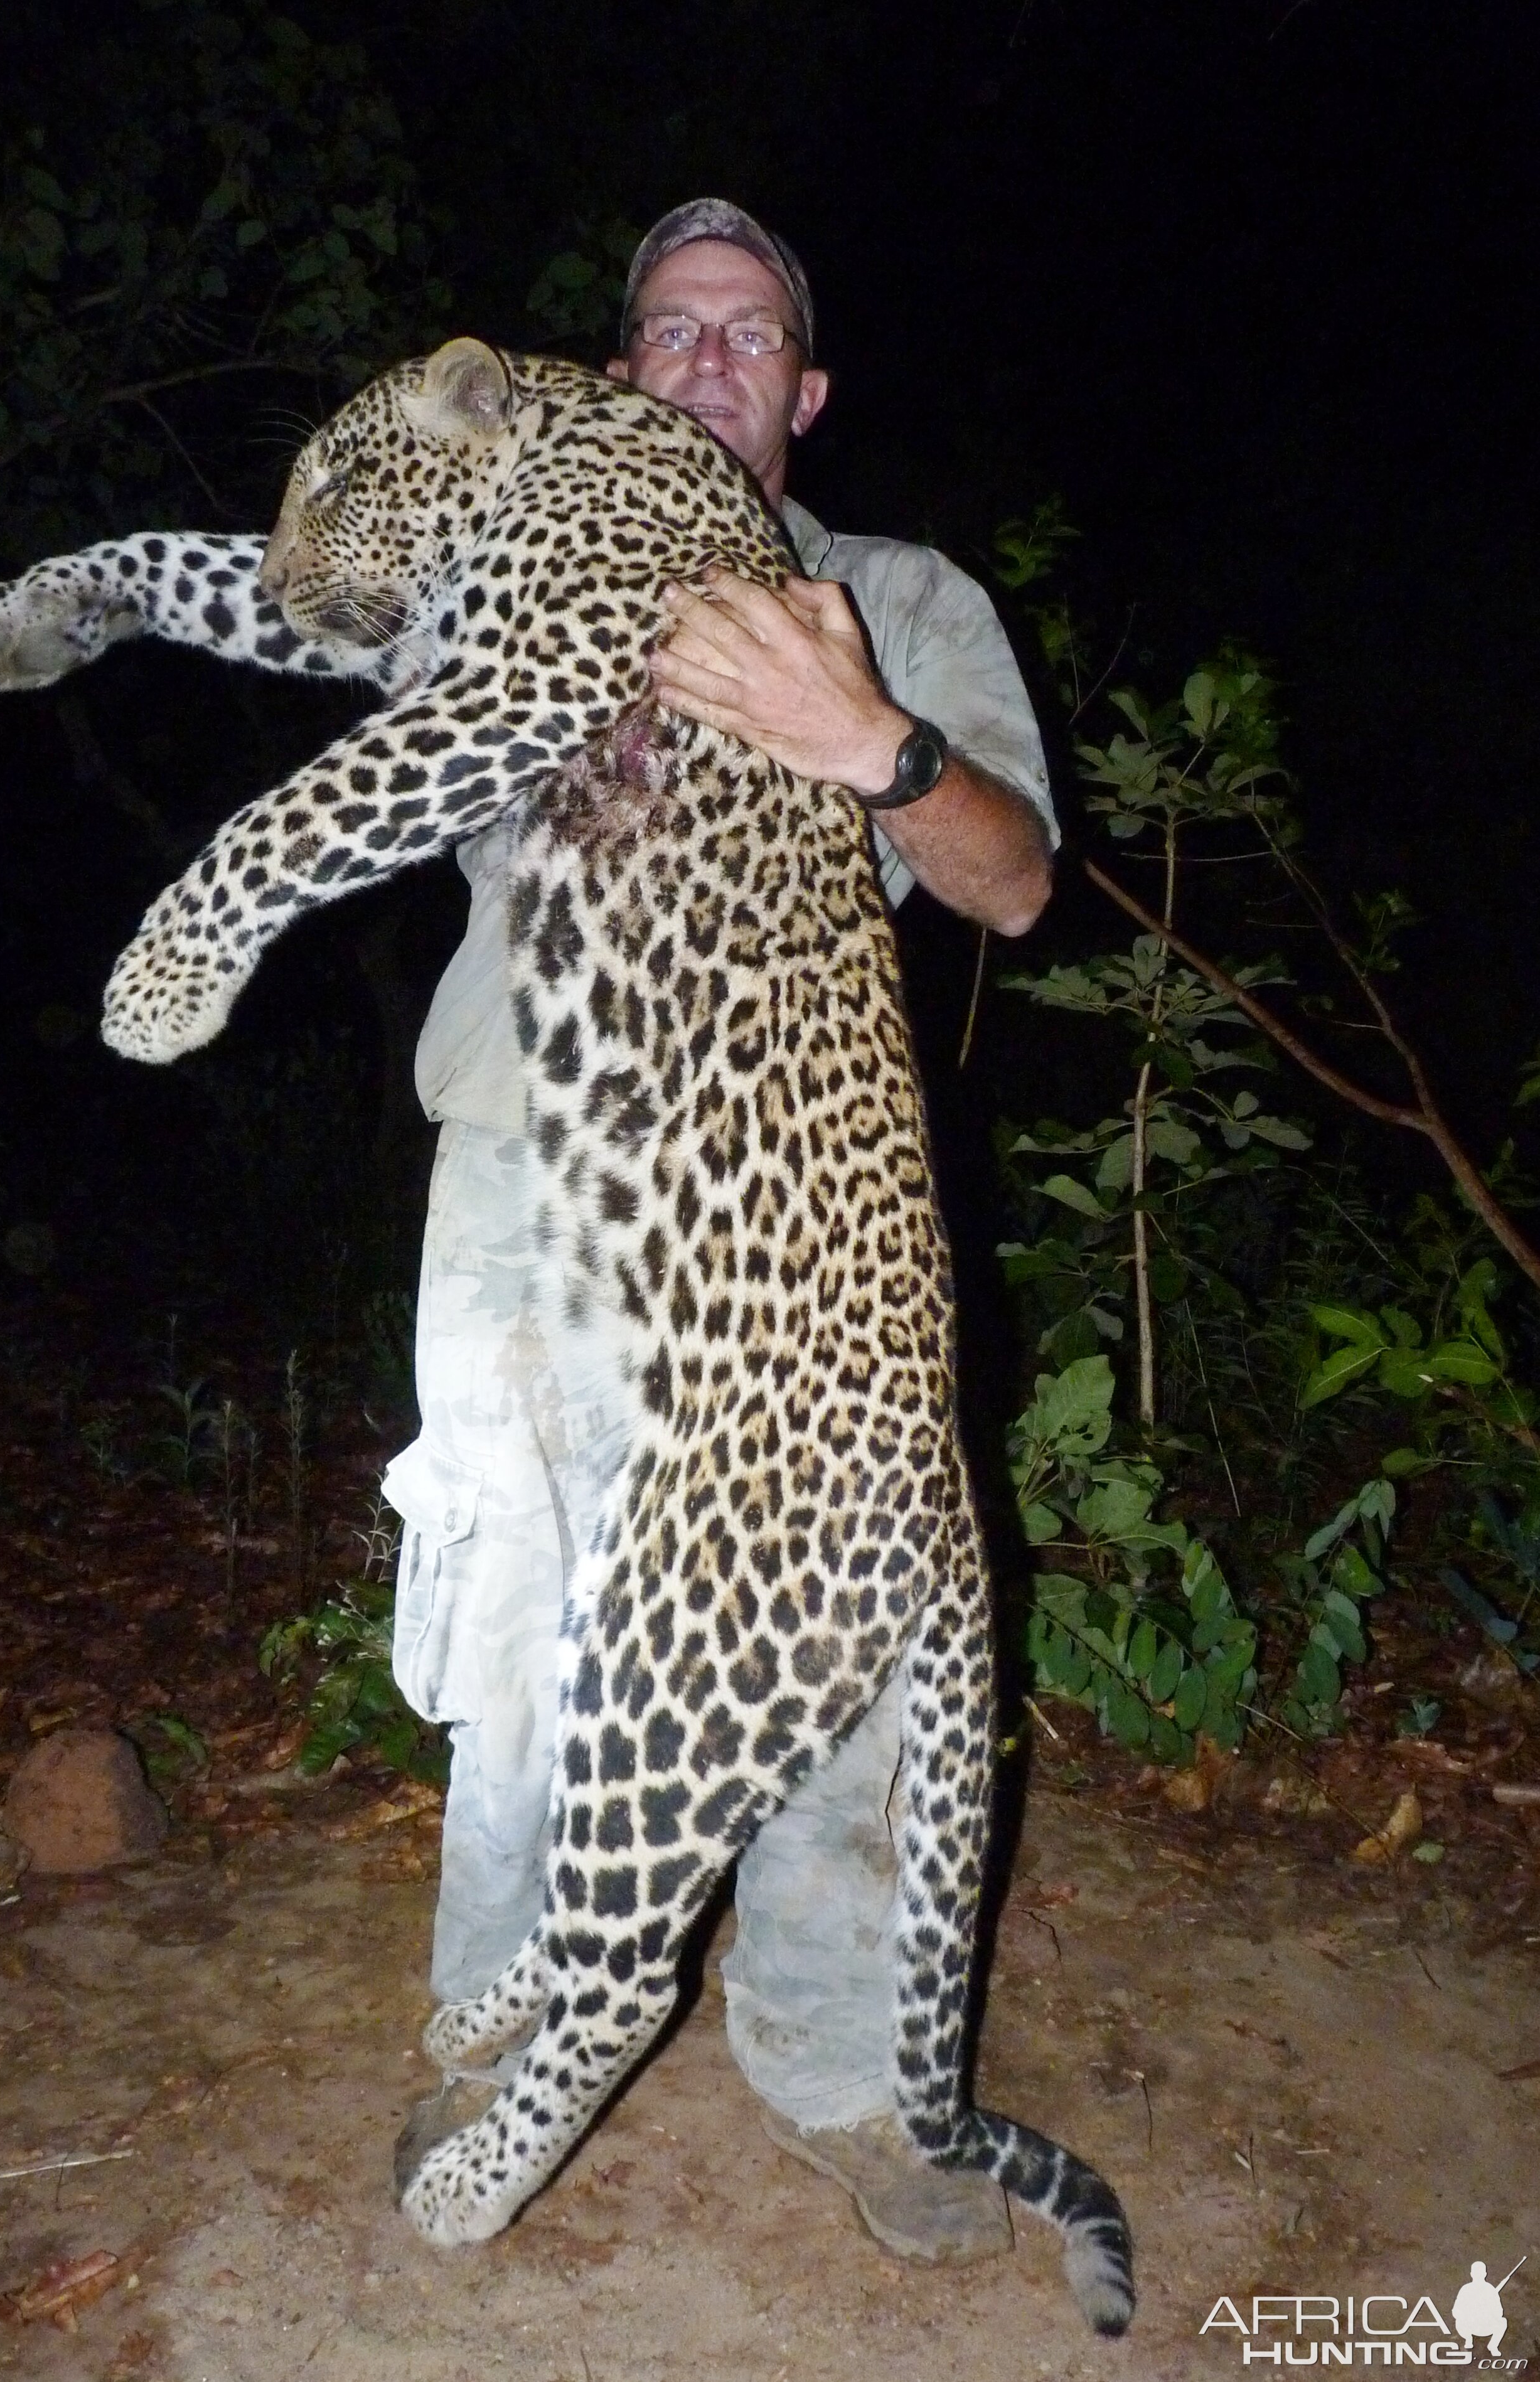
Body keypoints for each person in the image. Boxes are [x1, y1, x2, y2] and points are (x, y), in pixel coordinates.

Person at [385, 198, 1058, 2258]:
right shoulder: (511, 552)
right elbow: (364, 689)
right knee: (525, 1635)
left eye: (744, 334)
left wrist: (871, 743)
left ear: (806, 388)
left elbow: (1015, 880)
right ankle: (495, 2011)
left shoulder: (892, 592)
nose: (701, 361)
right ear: (614, 371)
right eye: (665, 330)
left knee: (839, 1652)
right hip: (531, 1169)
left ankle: (841, 2071)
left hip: (787, 1217)